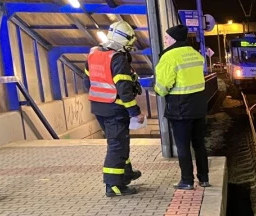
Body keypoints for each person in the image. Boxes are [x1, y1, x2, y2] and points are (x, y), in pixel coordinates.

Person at [85, 20, 144, 197]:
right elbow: (124, 89)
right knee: (117, 145)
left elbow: (86, 82)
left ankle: (126, 173)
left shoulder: (94, 54)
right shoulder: (117, 58)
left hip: (98, 107)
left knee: (119, 143)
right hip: (115, 108)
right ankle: (114, 185)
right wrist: (135, 112)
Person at [155, 24, 209, 190]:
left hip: (180, 108)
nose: (165, 40)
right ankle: (204, 178)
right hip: (199, 106)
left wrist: (157, 90)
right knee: (199, 144)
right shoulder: (196, 54)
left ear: (173, 39)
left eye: (166, 38)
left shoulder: (169, 57)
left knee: (183, 146)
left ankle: (187, 180)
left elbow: (163, 86)